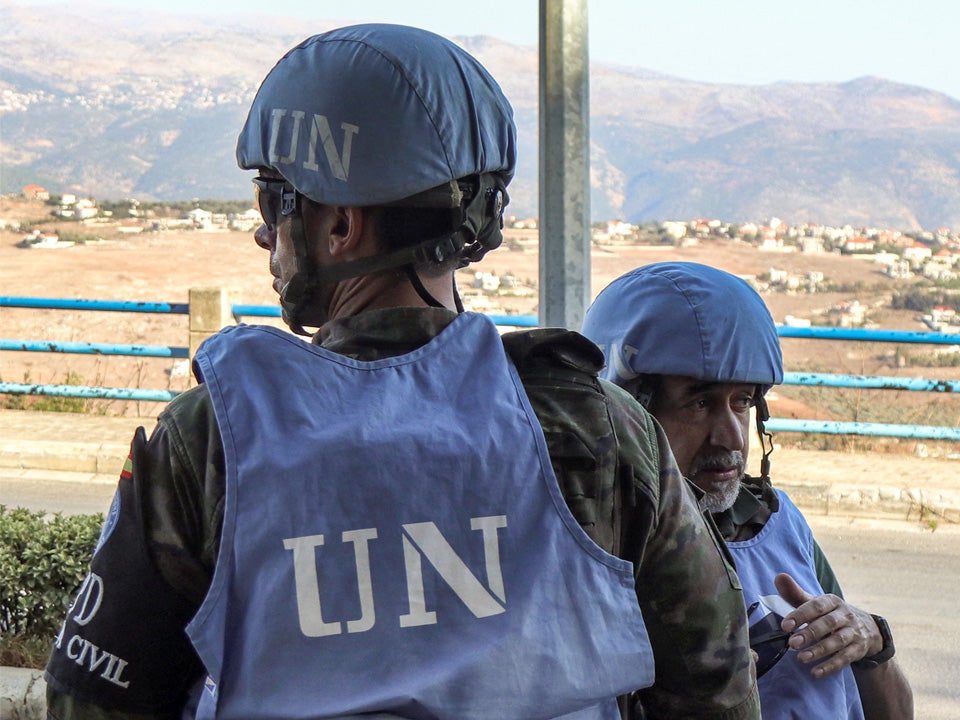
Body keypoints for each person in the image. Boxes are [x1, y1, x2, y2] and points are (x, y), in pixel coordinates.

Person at [43, 26, 759, 720]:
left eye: (273, 198)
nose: (263, 231)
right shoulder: (601, 426)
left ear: (340, 226)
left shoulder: (216, 437)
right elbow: (713, 688)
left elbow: (97, 701)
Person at [581, 261, 914, 720]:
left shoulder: (773, 522)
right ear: (629, 412)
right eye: (699, 403)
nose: (732, 437)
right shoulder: (596, 550)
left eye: (742, 402)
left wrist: (872, 641)